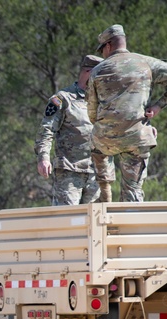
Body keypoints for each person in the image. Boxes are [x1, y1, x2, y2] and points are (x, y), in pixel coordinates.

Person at [87, 24, 167, 202]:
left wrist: (106, 125)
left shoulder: (97, 70)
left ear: (109, 46)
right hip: (136, 136)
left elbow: (91, 112)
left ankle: (104, 185)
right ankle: (130, 221)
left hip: (106, 139)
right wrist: (158, 106)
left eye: (102, 49)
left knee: (97, 147)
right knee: (132, 190)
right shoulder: (146, 62)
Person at [36, 55, 104, 206]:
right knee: (67, 220)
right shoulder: (63, 99)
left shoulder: (103, 102)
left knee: (95, 223)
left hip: (96, 172)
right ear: (88, 73)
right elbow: (47, 129)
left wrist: (144, 126)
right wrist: (43, 157)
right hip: (70, 171)